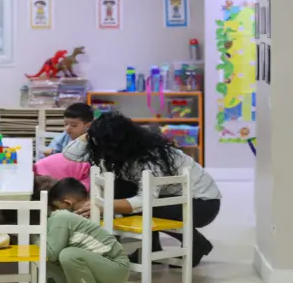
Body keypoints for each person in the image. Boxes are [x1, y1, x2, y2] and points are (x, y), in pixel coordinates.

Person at [63, 112, 221, 266]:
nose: (102, 150)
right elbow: (70, 155)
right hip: (174, 198)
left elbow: (144, 201)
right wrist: (90, 135)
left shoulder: (150, 158)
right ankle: (152, 247)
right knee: (122, 191)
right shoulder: (121, 151)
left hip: (203, 204)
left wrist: (104, 205)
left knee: (136, 206)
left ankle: (196, 243)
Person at [44, 200, 130, 283]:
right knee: (49, 256)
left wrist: (32, 239)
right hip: (103, 266)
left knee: (67, 254)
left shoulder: (59, 218)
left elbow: (51, 253)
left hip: (116, 270)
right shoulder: (54, 219)